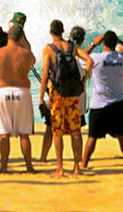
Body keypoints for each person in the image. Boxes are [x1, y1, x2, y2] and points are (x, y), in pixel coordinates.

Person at [40, 19, 91, 176]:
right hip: (72, 94)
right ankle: (77, 168)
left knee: (58, 132)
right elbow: (90, 60)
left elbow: (44, 75)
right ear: (63, 31)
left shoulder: (48, 50)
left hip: (57, 95)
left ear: (51, 32)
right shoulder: (72, 46)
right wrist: (84, 80)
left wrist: (41, 97)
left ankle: (60, 168)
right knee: (75, 131)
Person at [0, 21, 36, 174]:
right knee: (24, 134)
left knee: (3, 133)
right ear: (21, 37)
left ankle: (4, 167)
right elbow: (32, 61)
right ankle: (29, 167)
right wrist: (25, 42)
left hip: (1, 91)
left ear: (8, 36)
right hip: (22, 91)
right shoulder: (26, 53)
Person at [82, 29, 123, 169]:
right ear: (115, 43)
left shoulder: (96, 58)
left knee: (92, 137)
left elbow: (81, 58)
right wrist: (121, 41)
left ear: (104, 43)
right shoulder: (122, 59)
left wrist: (93, 44)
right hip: (117, 103)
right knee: (121, 136)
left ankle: (84, 164)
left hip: (98, 104)